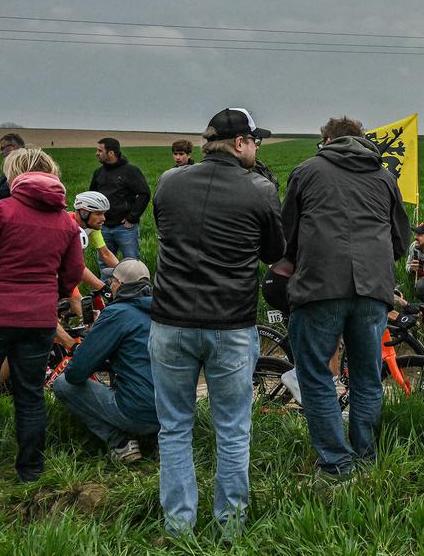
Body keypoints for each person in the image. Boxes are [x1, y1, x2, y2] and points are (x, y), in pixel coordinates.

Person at [149, 108, 284, 537]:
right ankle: (231, 527)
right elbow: (273, 252)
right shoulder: (259, 189)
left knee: (173, 427)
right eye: (255, 141)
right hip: (230, 324)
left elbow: (165, 231)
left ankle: (178, 528)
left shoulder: (169, 182)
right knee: (232, 429)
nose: (258, 147)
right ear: (241, 143)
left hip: (170, 320)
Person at [281, 116, 411, 482]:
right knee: (368, 377)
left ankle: (336, 465)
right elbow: (400, 239)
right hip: (373, 291)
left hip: (319, 288)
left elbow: (285, 234)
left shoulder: (306, 172)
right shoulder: (385, 177)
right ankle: (366, 459)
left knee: (316, 374)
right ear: (362, 140)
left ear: (326, 139)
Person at [0, 148, 84, 481]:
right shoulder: (65, 222)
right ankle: (30, 471)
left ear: (15, 175)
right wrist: (47, 296)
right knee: (30, 394)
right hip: (39, 318)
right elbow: (73, 274)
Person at [52, 259, 159, 464]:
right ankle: (158, 441)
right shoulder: (164, 311)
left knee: (63, 384)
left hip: (138, 412)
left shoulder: (117, 313)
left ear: (118, 285)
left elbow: (76, 373)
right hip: (175, 412)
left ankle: (121, 443)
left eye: (111, 281)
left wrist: (94, 340)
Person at [89, 137, 150, 261]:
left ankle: (133, 281)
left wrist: (132, 218)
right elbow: (92, 196)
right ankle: (106, 281)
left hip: (125, 228)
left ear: (111, 153)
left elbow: (144, 193)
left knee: (132, 262)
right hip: (103, 227)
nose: (97, 153)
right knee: (104, 263)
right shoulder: (98, 173)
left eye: (100, 151)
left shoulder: (130, 171)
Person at [69, 191, 120, 305]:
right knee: (83, 310)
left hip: (66, 272)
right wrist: (103, 288)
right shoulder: (68, 227)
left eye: (104, 213)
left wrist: (125, 273)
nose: (103, 218)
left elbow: (105, 253)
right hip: (44, 272)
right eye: (98, 213)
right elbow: (77, 267)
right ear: (83, 213)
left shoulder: (91, 226)